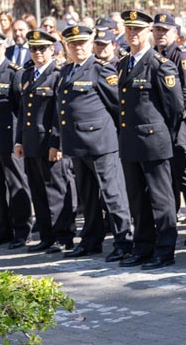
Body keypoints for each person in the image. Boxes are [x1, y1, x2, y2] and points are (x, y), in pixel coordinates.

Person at [56, 24, 133, 261]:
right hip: (77, 144)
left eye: (82, 43)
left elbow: (118, 106)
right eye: (73, 44)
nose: (78, 48)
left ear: (90, 45)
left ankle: (124, 241)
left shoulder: (100, 70)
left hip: (101, 142)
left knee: (113, 194)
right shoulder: (66, 71)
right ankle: (91, 239)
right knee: (87, 197)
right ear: (67, 48)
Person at [117, 10, 185, 269]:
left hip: (154, 141)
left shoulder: (159, 63)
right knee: (138, 198)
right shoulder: (124, 63)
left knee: (160, 198)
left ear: (148, 32)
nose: (133, 34)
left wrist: (164, 134)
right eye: (129, 29)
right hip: (131, 142)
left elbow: (176, 107)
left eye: (138, 29)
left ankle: (165, 249)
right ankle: (143, 246)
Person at [14, 29, 75, 253]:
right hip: (31, 142)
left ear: (52, 50)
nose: (37, 52)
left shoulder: (58, 74)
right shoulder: (27, 75)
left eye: (42, 48)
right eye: (33, 49)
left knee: (56, 190)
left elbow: (61, 113)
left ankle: (63, 236)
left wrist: (57, 143)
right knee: (38, 191)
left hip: (49, 143)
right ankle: (47, 235)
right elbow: (23, 111)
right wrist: (19, 140)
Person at [153, 12, 186, 245]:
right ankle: (170, 223)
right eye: (157, 30)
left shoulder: (181, 54)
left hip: (178, 123)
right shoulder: (156, 55)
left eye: (165, 30)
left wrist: (177, 118)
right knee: (167, 175)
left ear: (175, 32)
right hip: (162, 125)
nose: (161, 34)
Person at [0, 29, 31, 248]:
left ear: (4, 48)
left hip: (8, 139)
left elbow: (21, 110)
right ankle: (2, 229)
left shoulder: (13, 72)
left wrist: (20, 139)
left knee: (16, 184)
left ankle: (22, 230)